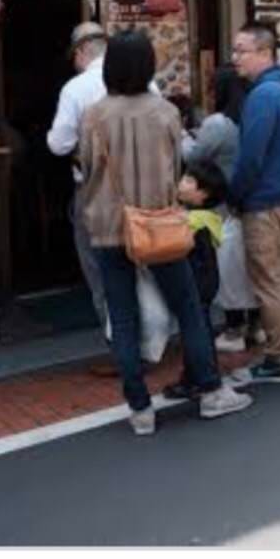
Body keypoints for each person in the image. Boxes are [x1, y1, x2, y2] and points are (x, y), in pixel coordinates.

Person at [79, 30, 252, 435]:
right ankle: (210, 391)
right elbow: (177, 168)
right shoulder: (166, 113)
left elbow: (86, 168)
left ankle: (140, 408)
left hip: (108, 227)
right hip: (159, 225)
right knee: (188, 307)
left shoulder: (94, 115)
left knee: (123, 316)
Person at [229, 22, 280, 384]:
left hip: (263, 201)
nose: (235, 57)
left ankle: (277, 357)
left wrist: (235, 196)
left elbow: (250, 159)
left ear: (265, 52)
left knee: (269, 280)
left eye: (241, 50)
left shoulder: (262, 96)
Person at [186, 66, 261, 352]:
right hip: (249, 201)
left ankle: (234, 329)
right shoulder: (251, 116)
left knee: (228, 269)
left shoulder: (217, 123)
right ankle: (256, 325)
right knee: (247, 266)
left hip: (221, 206)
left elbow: (194, 157)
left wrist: (181, 138)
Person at [47, 22, 112, 326]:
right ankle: (148, 338)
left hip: (94, 188)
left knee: (99, 268)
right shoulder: (143, 81)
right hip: (140, 186)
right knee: (139, 264)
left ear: (83, 51)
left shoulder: (76, 87)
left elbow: (59, 144)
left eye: (74, 55)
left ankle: (116, 336)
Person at [164, 159, 227, 401]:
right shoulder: (206, 217)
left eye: (189, 180)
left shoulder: (194, 220)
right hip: (205, 283)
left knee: (196, 331)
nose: (181, 183)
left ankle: (199, 379)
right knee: (200, 328)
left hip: (197, 284)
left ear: (203, 194)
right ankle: (196, 377)